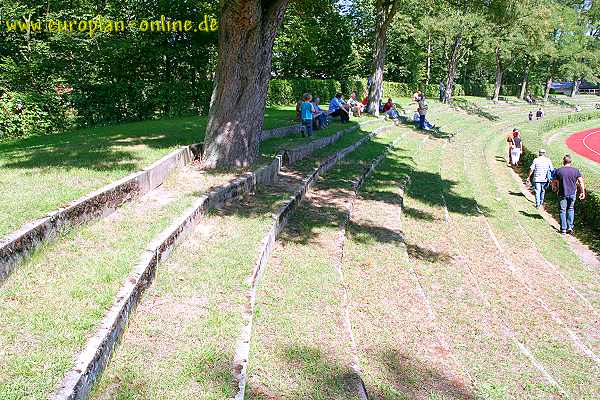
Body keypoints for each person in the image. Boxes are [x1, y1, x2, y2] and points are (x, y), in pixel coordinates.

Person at [552, 155, 586, 234]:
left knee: (562, 211)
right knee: (571, 209)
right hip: (572, 193)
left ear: (563, 161)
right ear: (570, 162)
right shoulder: (576, 171)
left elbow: (554, 181)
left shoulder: (558, 171)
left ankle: (563, 229)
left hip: (562, 193)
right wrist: (582, 192)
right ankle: (570, 227)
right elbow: (581, 182)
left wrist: (554, 187)